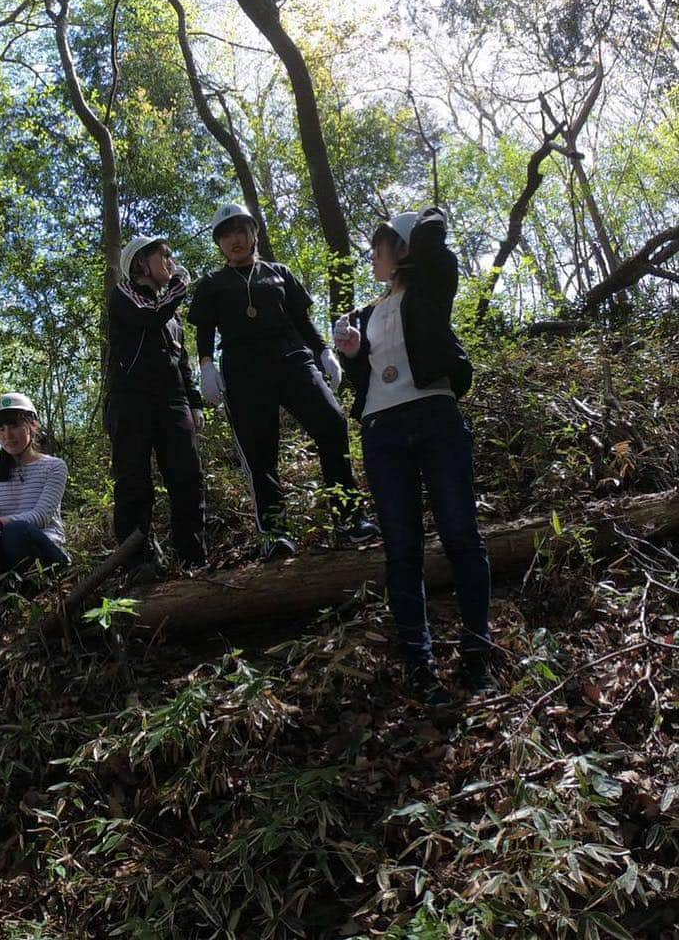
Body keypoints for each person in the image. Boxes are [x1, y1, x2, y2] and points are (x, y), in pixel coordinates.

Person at [333, 206, 495, 704]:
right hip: (382, 430)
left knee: (461, 535)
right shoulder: (365, 313)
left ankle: (476, 654)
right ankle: (420, 666)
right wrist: (354, 354)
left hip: (435, 416)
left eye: (380, 247)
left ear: (401, 249)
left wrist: (415, 225)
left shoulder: (430, 287)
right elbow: (360, 384)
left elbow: (438, 249)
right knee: (402, 549)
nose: (372, 257)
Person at [188, 201, 379, 560]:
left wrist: (324, 352)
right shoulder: (212, 284)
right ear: (219, 243)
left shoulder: (279, 272)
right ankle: (275, 532)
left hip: (291, 359)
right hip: (243, 372)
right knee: (259, 451)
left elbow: (302, 320)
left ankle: (349, 516)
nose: (235, 240)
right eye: (226, 235)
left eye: (240, 231)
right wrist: (206, 367)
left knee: (331, 420)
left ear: (254, 233)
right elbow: (204, 331)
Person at [105, 235, 206, 579]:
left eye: (170, 255)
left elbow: (182, 361)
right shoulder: (125, 294)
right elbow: (149, 315)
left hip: (172, 402)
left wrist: (194, 403)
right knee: (134, 482)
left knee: (187, 476)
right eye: (163, 255)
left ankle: (192, 555)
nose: (171, 261)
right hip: (130, 401)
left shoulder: (173, 317)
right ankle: (137, 563)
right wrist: (180, 286)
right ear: (140, 264)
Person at [0, 393, 70, 577]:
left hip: (47, 553)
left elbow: (41, 516)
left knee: (15, 530)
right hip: (6, 552)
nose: (7, 435)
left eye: (14, 426)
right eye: (1, 429)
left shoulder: (54, 467)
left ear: (32, 426)